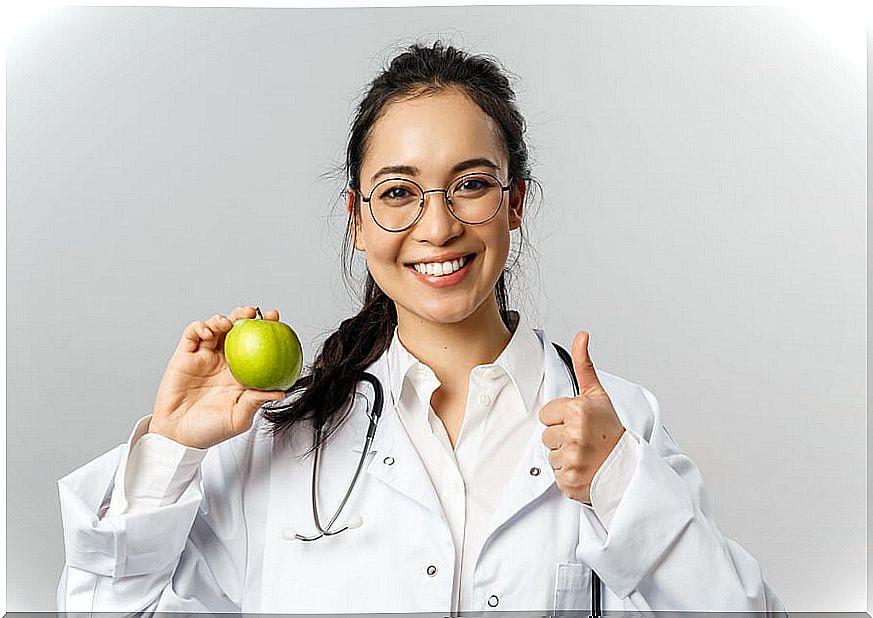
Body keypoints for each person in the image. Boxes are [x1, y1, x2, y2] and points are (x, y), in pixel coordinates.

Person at [56, 40, 785, 614]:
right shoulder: (280, 433)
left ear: (516, 203)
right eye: (398, 192)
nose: (436, 227)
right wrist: (170, 454)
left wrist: (621, 486)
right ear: (357, 218)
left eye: (470, 184)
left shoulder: (618, 426)